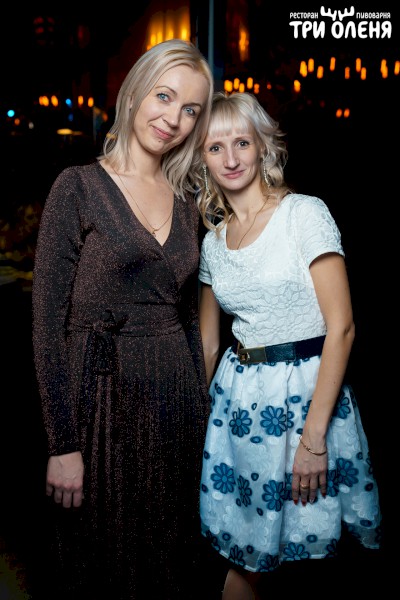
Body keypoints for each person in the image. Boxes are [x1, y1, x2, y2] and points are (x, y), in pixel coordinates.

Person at [32, 38, 215, 600]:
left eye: (191, 109)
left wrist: (202, 409)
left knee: (171, 563)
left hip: (176, 405)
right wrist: (62, 442)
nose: (174, 119)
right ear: (134, 94)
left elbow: (188, 317)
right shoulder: (78, 187)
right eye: (164, 96)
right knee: (99, 565)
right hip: (101, 402)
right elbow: (46, 323)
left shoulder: (187, 200)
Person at [195, 92, 382, 599]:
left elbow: (342, 328)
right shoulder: (212, 242)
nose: (230, 158)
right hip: (238, 411)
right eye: (215, 147)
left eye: (241, 142)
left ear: (262, 147)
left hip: (306, 402)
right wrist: (191, 422)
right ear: (201, 159)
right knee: (247, 552)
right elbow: (208, 344)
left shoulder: (303, 214)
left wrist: (313, 440)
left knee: (311, 553)